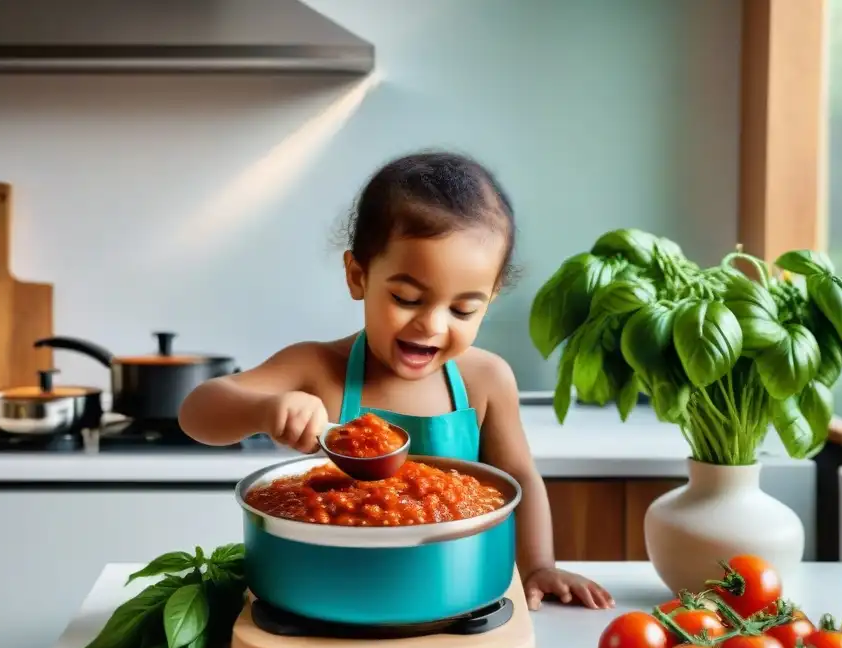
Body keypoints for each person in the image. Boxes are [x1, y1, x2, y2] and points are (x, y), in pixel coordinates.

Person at [179, 150, 614, 611]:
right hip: (331, 587)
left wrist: (540, 565)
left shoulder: (485, 379)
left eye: (463, 309)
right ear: (358, 276)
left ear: (491, 297)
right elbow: (197, 412)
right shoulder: (316, 369)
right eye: (407, 298)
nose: (431, 325)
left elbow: (519, 477)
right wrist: (263, 409)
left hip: (455, 588)